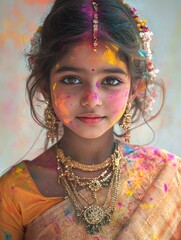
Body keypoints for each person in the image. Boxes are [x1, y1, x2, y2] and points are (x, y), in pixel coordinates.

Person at [0, 0, 180, 239]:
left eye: (111, 81)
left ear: (135, 88)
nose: (91, 100)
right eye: (72, 79)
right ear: (45, 85)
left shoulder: (168, 178)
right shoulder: (15, 193)